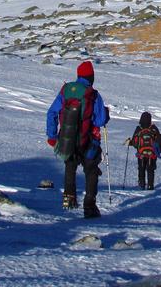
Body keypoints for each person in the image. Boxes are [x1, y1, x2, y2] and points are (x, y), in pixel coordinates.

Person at [46, 60, 110, 218]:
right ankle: (89, 206)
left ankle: (69, 199)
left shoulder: (66, 90)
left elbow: (52, 113)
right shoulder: (92, 94)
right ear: (91, 77)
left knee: (70, 166)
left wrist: (52, 136)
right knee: (91, 170)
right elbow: (100, 120)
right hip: (88, 140)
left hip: (68, 139)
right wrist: (106, 114)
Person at [129, 111, 161, 190]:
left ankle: (141, 184)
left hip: (141, 154)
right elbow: (159, 140)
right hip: (152, 154)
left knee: (141, 168)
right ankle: (150, 185)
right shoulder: (153, 128)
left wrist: (131, 143)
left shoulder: (139, 128)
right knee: (150, 169)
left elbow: (134, 143)